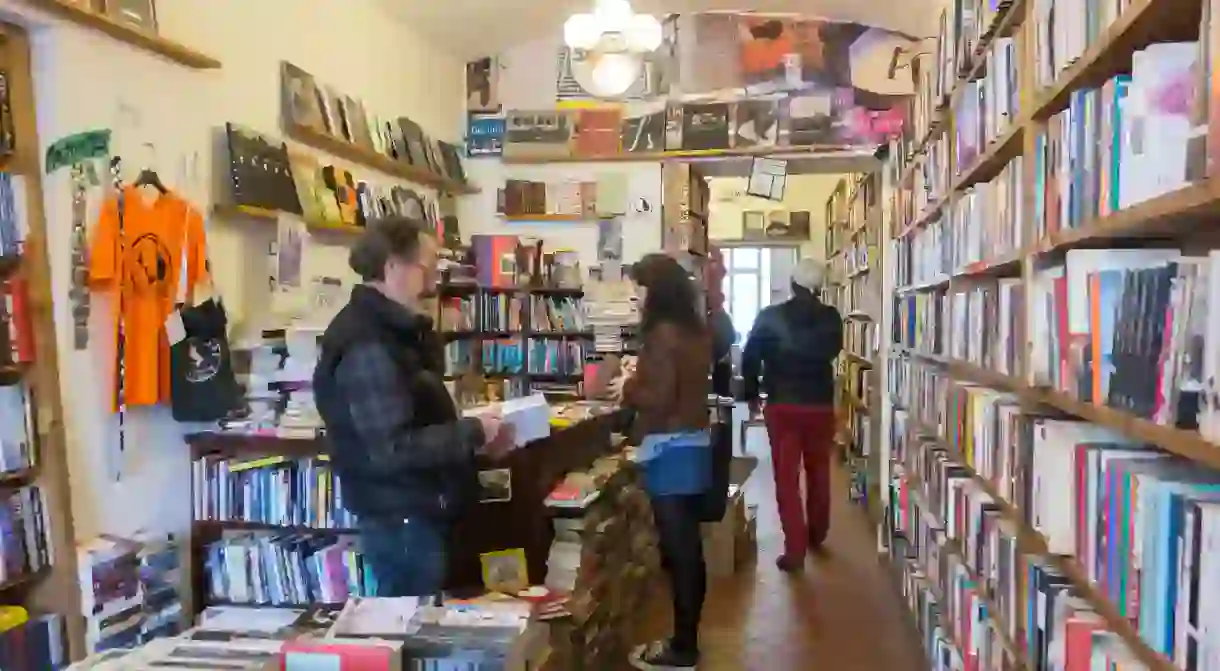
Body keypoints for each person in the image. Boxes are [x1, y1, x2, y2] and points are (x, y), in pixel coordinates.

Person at [313, 217, 512, 597]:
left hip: (417, 508)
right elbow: (393, 448)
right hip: (401, 516)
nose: (435, 278)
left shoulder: (396, 333)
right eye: (429, 266)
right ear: (393, 268)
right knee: (413, 626)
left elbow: (416, 416)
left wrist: (474, 438)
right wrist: (472, 432)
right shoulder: (367, 343)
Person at [614, 254, 712, 671]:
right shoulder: (693, 329)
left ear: (654, 290)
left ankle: (683, 649)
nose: (634, 296)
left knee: (680, 550)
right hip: (693, 443)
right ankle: (685, 638)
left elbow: (658, 396)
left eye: (638, 287)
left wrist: (628, 385)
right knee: (688, 548)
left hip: (670, 447)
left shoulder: (662, 333)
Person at [741, 258, 842, 572]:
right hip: (820, 406)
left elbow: (750, 357)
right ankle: (818, 533)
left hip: (783, 406)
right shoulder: (831, 318)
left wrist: (752, 394)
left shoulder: (770, 317)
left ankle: (795, 550)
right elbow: (833, 351)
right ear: (819, 287)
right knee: (819, 471)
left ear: (793, 283)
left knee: (785, 478)